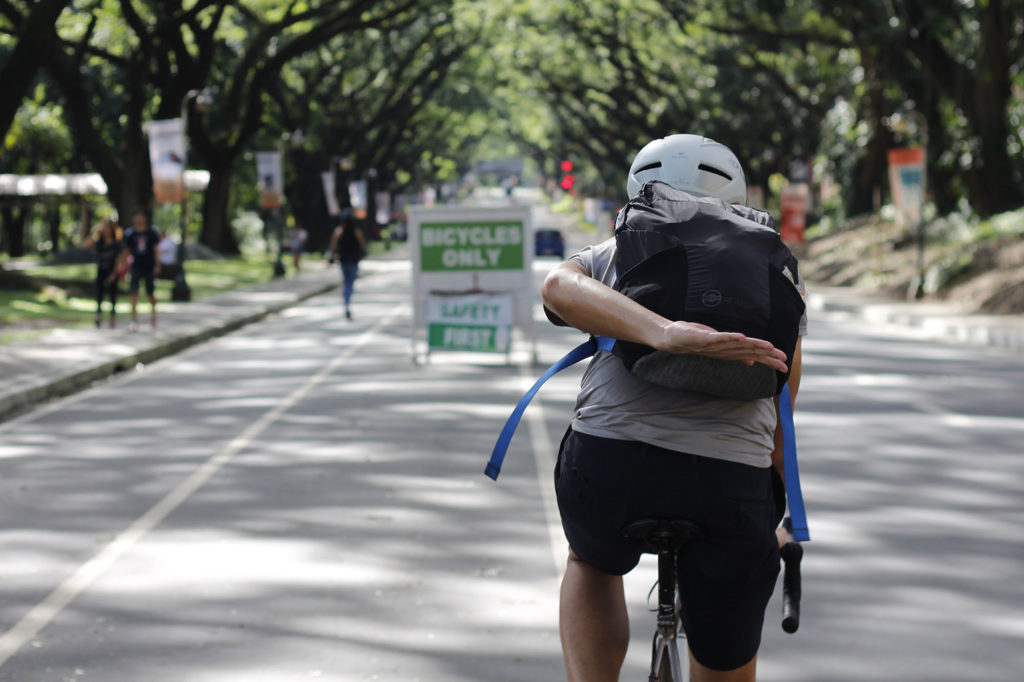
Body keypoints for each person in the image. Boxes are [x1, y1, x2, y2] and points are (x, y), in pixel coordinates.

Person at [540, 134, 806, 682]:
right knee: (728, 625)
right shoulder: (774, 272)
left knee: (591, 562)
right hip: (730, 485)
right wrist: (777, 519)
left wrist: (659, 331)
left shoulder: (622, 250)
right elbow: (782, 411)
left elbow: (555, 285)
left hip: (610, 469)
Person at [122, 208, 162, 331]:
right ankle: (134, 321)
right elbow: (126, 251)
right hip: (136, 266)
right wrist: (123, 265)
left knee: (150, 293)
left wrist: (158, 264)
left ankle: (153, 316)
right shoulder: (130, 233)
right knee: (134, 292)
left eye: (141, 216)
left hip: (149, 265)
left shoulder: (151, 233)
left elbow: (156, 249)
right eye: (137, 216)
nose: (139, 218)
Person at [84, 218, 125, 328]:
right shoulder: (99, 242)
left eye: (108, 227)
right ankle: (98, 316)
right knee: (99, 294)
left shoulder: (116, 243)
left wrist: (114, 273)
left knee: (113, 296)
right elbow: (86, 244)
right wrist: (94, 231)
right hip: (101, 270)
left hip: (112, 271)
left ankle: (112, 317)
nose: (106, 229)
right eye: (104, 227)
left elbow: (118, 259)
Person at [328, 213, 366, 320]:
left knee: (346, 282)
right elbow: (362, 245)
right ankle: (347, 301)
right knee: (350, 282)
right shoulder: (356, 231)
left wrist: (331, 256)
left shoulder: (339, 231)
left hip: (344, 261)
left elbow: (333, 247)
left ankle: (346, 302)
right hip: (352, 261)